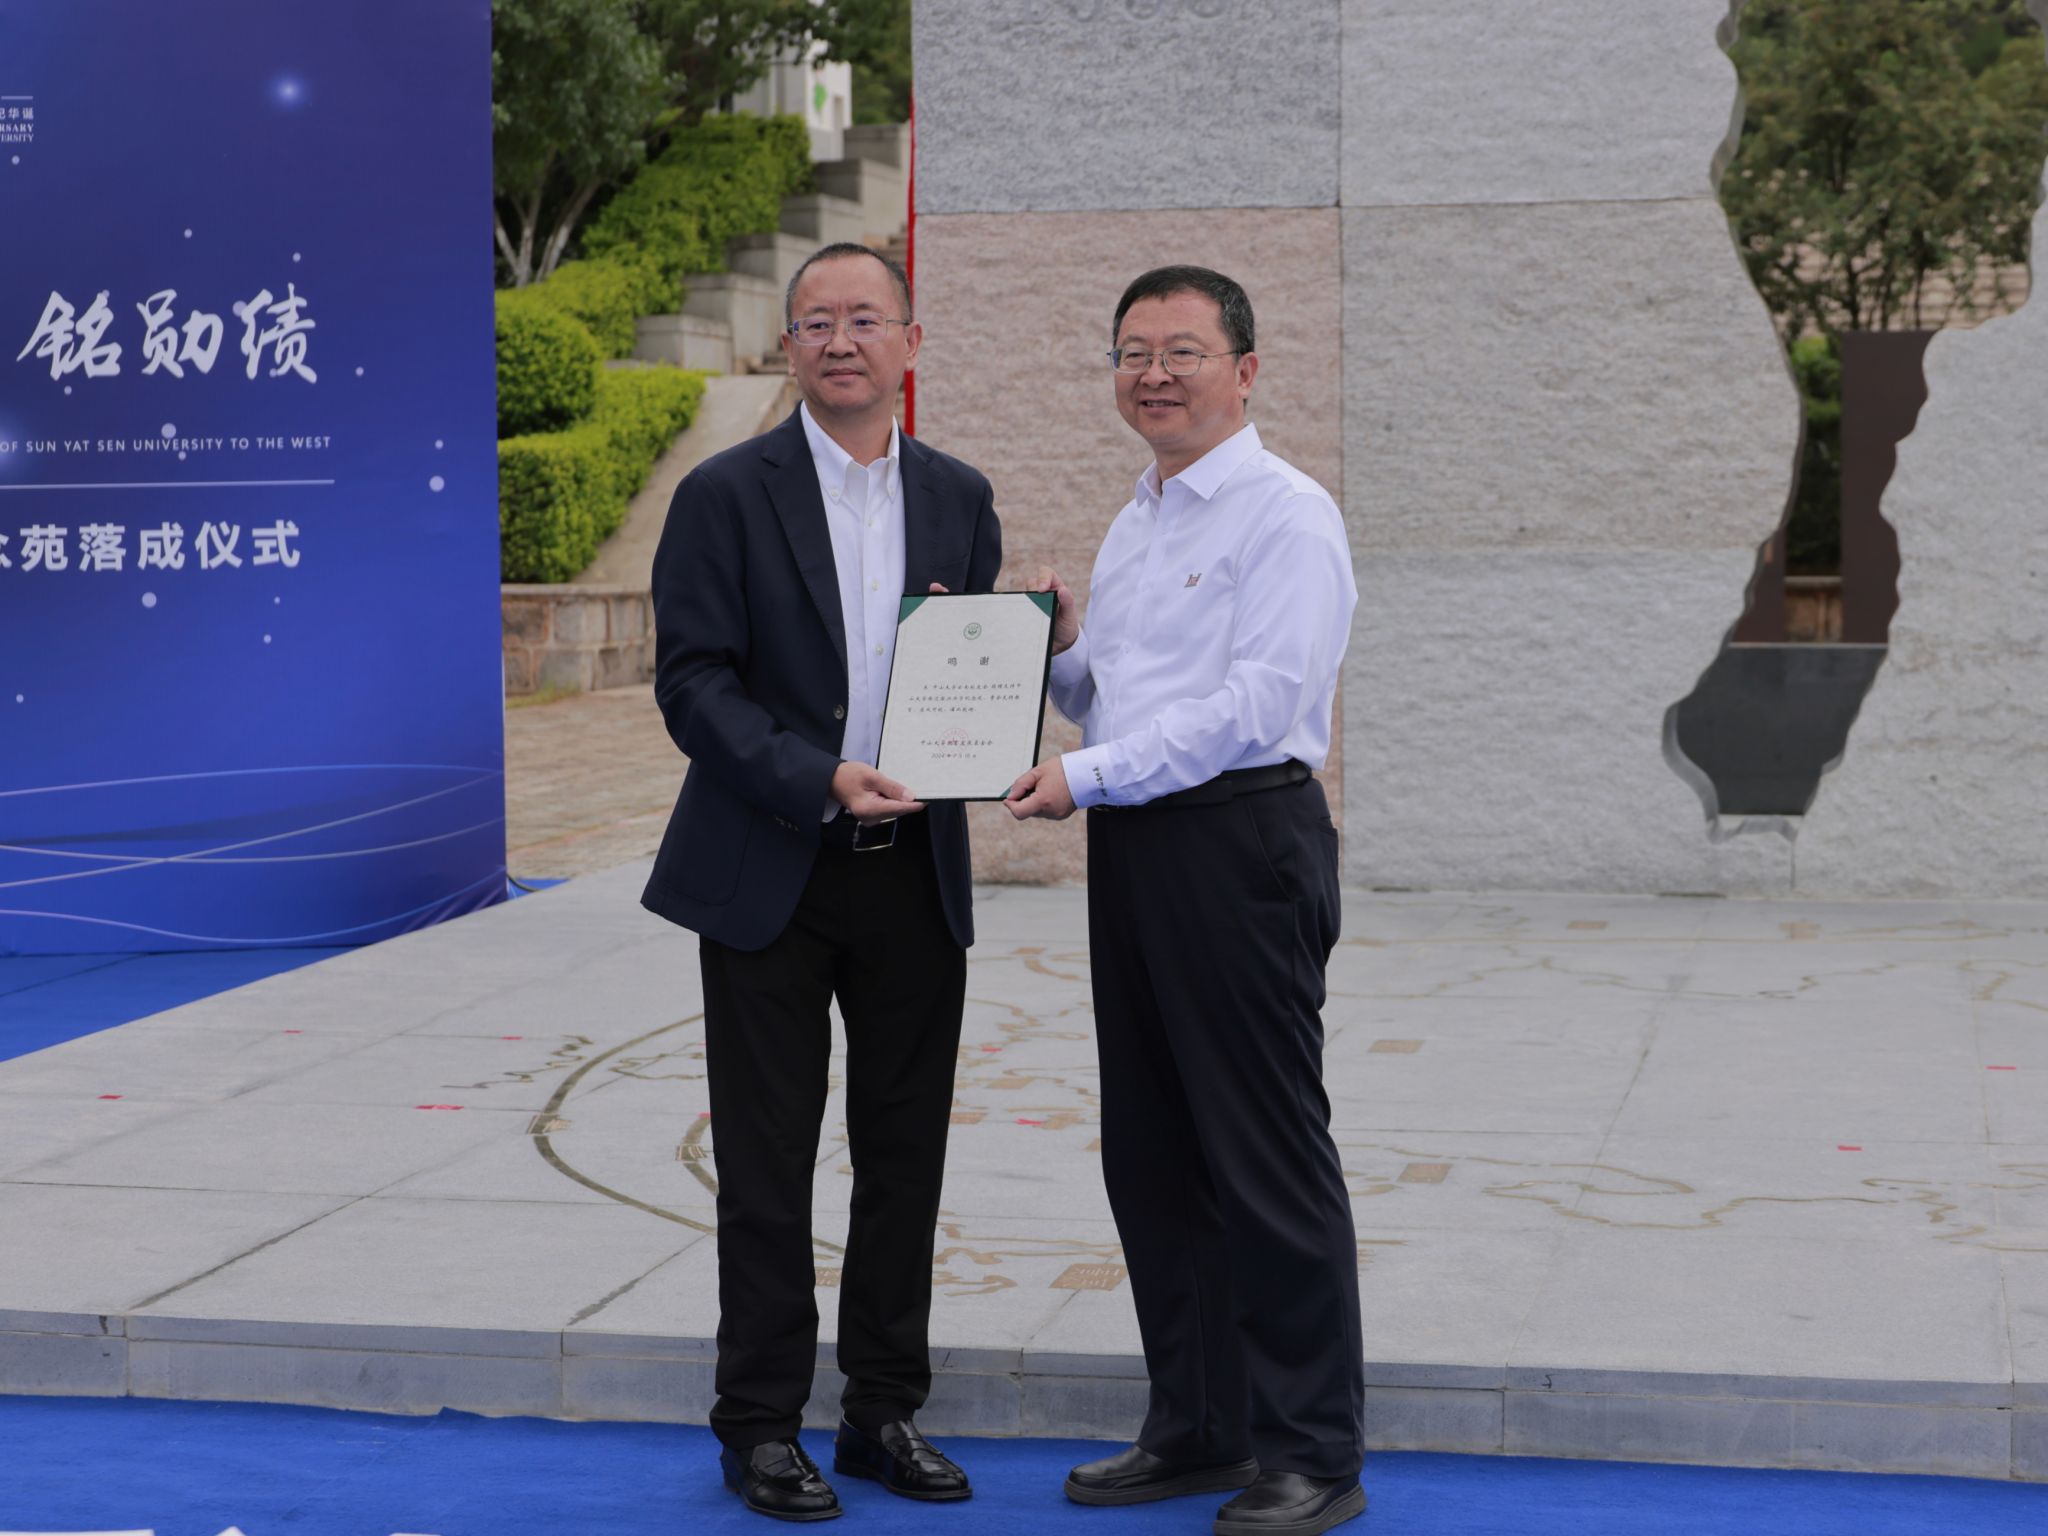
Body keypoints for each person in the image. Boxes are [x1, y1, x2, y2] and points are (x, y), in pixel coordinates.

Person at [643, 241, 1000, 1521]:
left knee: (903, 1155)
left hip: (912, 871)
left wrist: (1014, 667)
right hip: (770, 865)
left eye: (864, 318)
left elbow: (966, 669)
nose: (840, 341)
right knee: (765, 1159)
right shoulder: (722, 494)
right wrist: (818, 777)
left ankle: (881, 1413)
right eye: (816, 322)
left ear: (910, 340)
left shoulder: (958, 495)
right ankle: (758, 1426)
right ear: (787, 345)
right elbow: (692, 683)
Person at [1006, 265, 1365, 1536]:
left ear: (1245, 371)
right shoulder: (1139, 516)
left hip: (1239, 844)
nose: (1151, 374)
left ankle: (1311, 1452)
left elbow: (1257, 708)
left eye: (1180, 351)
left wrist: (1087, 775)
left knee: (1263, 1155)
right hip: (1140, 849)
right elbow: (1112, 700)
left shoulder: (1286, 515)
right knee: (1154, 1153)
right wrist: (1044, 650)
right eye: (1130, 353)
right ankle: (1200, 1425)